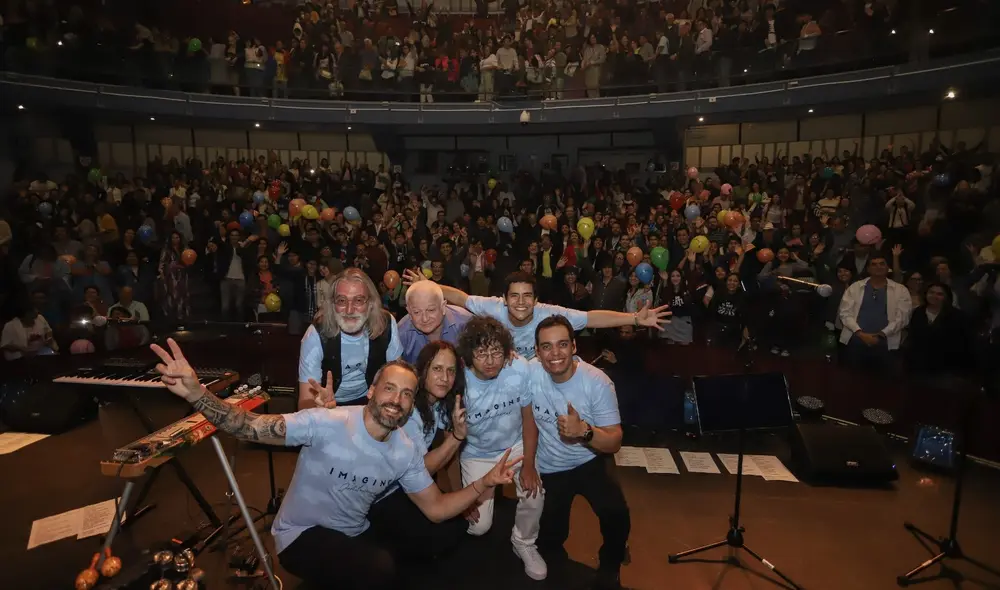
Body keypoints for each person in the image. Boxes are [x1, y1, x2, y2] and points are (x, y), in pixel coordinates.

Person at [149, 339, 521, 590]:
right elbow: (248, 427)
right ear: (372, 390)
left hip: (354, 529)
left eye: (407, 394)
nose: (398, 399)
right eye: (390, 388)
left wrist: (485, 482)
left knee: (429, 543)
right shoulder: (327, 422)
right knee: (380, 569)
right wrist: (198, 393)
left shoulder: (404, 448)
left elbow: (437, 508)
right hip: (300, 534)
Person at [530, 315, 628, 590]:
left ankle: (611, 564)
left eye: (562, 344)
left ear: (574, 346)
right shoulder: (530, 373)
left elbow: (615, 441)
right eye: (546, 347)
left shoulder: (597, 382)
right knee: (550, 535)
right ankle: (558, 568)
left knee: (616, 515)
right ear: (537, 352)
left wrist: (584, 432)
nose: (555, 353)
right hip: (550, 466)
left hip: (590, 458)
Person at [404, 269, 671, 359]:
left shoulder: (549, 314)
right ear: (505, 299)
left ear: (536, 300)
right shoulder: (492, 307)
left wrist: (635, 319)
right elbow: (459, 297)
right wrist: (427, 286)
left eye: (527, 296)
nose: (520, 303)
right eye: (514, 296)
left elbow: (592, 318)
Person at [457, 316, 547, 580]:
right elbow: (448, 439)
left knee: (535, 491)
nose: (490, 360)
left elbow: (528, 417)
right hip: (476, 452)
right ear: (469, 353)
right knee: (478, 526)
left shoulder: (518, 368)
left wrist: (528, 463)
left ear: (507, 352)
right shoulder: (458, 380)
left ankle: (524, 542)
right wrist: (458, 495)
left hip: (514, 445)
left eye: (497, 352)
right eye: (481, 352)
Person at [366, 341, 469, 560]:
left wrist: (459, 497)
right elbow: (422, 468)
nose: (445, 377)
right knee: (438, 538)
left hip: (408, 486)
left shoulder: (438, 402)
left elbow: (448, 458)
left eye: (451, 371)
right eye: (437, 369)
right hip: (385, 493)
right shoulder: (409, 410)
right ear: (423, 371)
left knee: (456, 525)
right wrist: (457, 437)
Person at [299, 268, 403, 409]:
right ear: (332, 304)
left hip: (373, 402)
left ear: (371, 303)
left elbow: (397, 380)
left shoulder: (387, 324)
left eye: (358, 300)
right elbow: (305, 403)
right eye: (341, 301)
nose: (349, 310)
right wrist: (319, 408)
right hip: (328, 405)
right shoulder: (315, 334)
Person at [838, 251, 912, 372]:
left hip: (885, 344)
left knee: (883, 386)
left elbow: (903, 318)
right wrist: (861, 334)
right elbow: (845, 313)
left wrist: (880, 335)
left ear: (888, 268)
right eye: (874, 264)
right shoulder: (855, 287)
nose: (878, 267)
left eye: (882, 264)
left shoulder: (901, 290)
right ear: (868, 269)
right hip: (855, 342)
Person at [396, 280, 473, 364]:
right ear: (409, 312)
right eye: (417, 312)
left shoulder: (466, 323)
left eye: (431, 310)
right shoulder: (401, 333)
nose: (425, 319)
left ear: (443, 307)